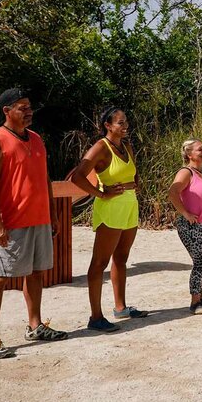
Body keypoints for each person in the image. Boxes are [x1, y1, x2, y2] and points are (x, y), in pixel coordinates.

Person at [0, 87, 68, 359]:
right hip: (12, 221)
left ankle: (35, 325)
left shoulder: (37, 139)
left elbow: (45, 179)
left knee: (37, 273)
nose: (29, 111)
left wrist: (52, 214)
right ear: (7, 111)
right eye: (22, 107)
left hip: (39, 218)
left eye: (29, 106)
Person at [71, 107, 147, 332]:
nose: (125, 127)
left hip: (130, 206)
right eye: (120, 123)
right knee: (99, 262)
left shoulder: (126, 146)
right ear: (108, 125)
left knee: (122, 257)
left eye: (126, 122)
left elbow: (133, 174)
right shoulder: (100, 148)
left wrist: (135, 184)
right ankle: (95, 317)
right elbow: (77, 176)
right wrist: (101, 193)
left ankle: (120, 307)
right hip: (110, 209)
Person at [168, 139, 202, 314]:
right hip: (191, 226)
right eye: (200, 150)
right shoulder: (186, 173)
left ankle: (200, 296)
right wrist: (185, 213)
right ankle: (195, 302)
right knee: (200, 260)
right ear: (189, 154)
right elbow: (172, 192)